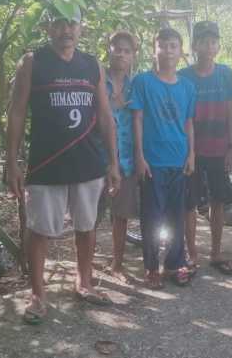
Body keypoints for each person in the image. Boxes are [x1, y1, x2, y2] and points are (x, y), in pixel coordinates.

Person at [6, 7, 121, 325]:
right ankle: (38, 295)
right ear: (48, 27)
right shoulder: (32, 62)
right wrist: (11, 162)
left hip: (88, 163)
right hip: (46, 163)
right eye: (59, 23)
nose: (65, 29)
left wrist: (113, 162)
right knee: (40, 230)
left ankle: (83, 282)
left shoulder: (91, 65)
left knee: (87, 226)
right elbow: (16, 113)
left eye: (71, 22)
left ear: (81, 27)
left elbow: (106, 117)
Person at [129, 27, 197, 289]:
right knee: (152, 216)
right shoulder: (143, 82)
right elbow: (137, 119)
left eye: (173, 46)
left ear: (181, 52)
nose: (167, 51)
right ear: (153, 49)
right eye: (163, 45)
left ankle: (174, 264)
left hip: (178, 160)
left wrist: (191, 154)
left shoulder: (188, 87)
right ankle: (150, 267)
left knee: (176, 216)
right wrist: (139, 156)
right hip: (152, 162)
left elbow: (189, 122)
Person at [178, 21, 232, 276]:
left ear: (218, 45)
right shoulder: (183, 76)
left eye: (213, 41)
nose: (209, 46)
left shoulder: (225, 73)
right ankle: (191, 253)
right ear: (194, 46)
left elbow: (230, 113)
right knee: (189, 203)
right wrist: (185, 151)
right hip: (192, 150)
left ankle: (215, 252)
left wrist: (231, 148)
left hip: (218, 148)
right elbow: (181, 115)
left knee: (218, 200)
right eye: (203, 41)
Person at [104, 31, 139, 283]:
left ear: (133, 55)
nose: (121, 54)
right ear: (109, 50)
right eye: (117, 48)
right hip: (97, 157)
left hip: (126, 159)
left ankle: (117, 263)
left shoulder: (135, 86)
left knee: (121, 214)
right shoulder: (97, 80)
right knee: (89, 216)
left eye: (127, 50)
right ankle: (84, 264)